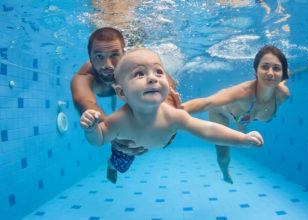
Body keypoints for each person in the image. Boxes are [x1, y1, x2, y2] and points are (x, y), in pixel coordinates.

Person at [80, 48, 264, 181]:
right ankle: (111, 164)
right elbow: (100, 139)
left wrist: (242, 138)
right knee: (121, 166)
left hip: (156, 142)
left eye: (158, 71)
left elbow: (208, 130)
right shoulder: (119, 121)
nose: (152, 78)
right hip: (127, 147)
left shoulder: (173, 115)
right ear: (121, 94)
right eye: (139, 74)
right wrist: (91, 129)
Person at [71, 27, 181, 183]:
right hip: (124, 96)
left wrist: (169, 125)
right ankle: (112, 164)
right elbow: (86, 102)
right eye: (99, 56)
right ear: (90, 57)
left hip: (135, 99)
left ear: (124, 53)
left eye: (115, 55)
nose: (107, 65)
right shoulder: (84, 77)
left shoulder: (138, 66)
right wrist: (111, 133)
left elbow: (167, 89)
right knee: (122, 161)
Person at [182, 45, 290, 184]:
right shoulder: (243, 92)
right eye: (265, 67)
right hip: (222, 112)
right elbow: (207, 103)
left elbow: (283, 78)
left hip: (245, 115)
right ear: (256, 70)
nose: (270, 73)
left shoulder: (283, 94)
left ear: (282, 72)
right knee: (223, 153)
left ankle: (243, 127)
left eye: (276, 68)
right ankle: (225, 172)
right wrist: (170, 111)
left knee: (244, 121)